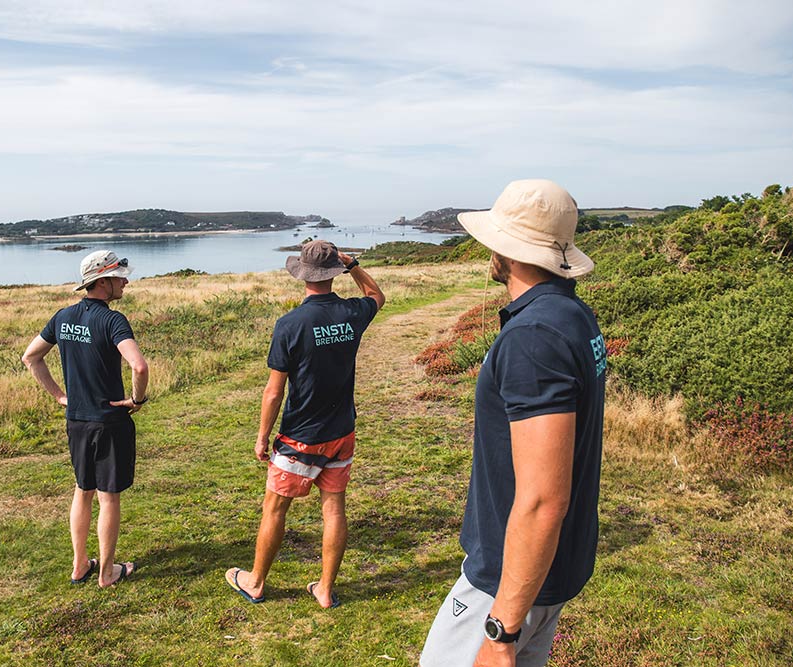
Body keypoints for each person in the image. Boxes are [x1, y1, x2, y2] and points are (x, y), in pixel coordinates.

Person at [420, 180, 606, 667]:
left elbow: (545, 498)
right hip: (548, 571)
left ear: (507, 249)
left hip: (506, 580)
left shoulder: (534, 336)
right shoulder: (572, 315)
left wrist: (500, 632)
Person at [224, 240, 385, 609]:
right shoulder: (352, 313)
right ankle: (325, 589)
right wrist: (354, 265)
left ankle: (256, 581)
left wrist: (262, 437)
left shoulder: (290, 324)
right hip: (342, 431)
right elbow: (376, 294)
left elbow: (273, 391)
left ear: (303, 275)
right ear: (333, 273)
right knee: (334, 509)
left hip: (300, 437)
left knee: (274, 509)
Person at [22, 250, 149, 588]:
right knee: (108, 497)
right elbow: (139, 366)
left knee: (82, 490)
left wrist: (61, 397)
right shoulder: (113, 320)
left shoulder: (63, 317)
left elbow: (30, 357)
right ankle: (107, 572)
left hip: (77, 420)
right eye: (120, 275)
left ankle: (80, 565)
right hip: (110, 420)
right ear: (103, 282)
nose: (126, 280)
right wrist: (137, 400)